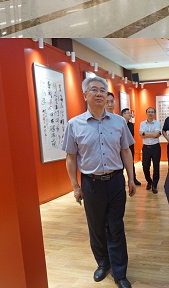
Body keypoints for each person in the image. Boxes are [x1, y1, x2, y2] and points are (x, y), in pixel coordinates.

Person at [62, 76, 135, 288]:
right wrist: (75, 187)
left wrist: (131, 178)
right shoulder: (74, 124)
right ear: (85, 95)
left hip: (115, 181)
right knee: (96, 227)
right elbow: (71, 157)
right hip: (91, 184)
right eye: (94, 90)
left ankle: (120, 272)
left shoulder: (119, 122)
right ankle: (103, 263)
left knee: (116, 226)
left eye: (103, 90)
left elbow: (126, 151)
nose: (99, 93)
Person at [140, 107, 161, 194]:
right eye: (149, 112)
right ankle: (149, 181)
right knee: (145, 167)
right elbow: (141, 134)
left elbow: (156, 134)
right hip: (146, 148)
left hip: (156, 147)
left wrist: (145, 134)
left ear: (154, 114)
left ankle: (154, 185)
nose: (150, 113)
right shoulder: (142, 123)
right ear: (146, 113)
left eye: (152, 112)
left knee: (156, 167)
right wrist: (153, 135)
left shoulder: (157, 123)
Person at [122, 108, 142, 186]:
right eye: (128, 113)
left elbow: (131, 136)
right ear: (123, 114)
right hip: (121, 147)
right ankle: (122, 180)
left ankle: (133, 179)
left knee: (131, 162)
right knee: (121, 164)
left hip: (130, 146)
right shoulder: (120, 123)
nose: (130, 115)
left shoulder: (131, 125)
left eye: (130, 113)